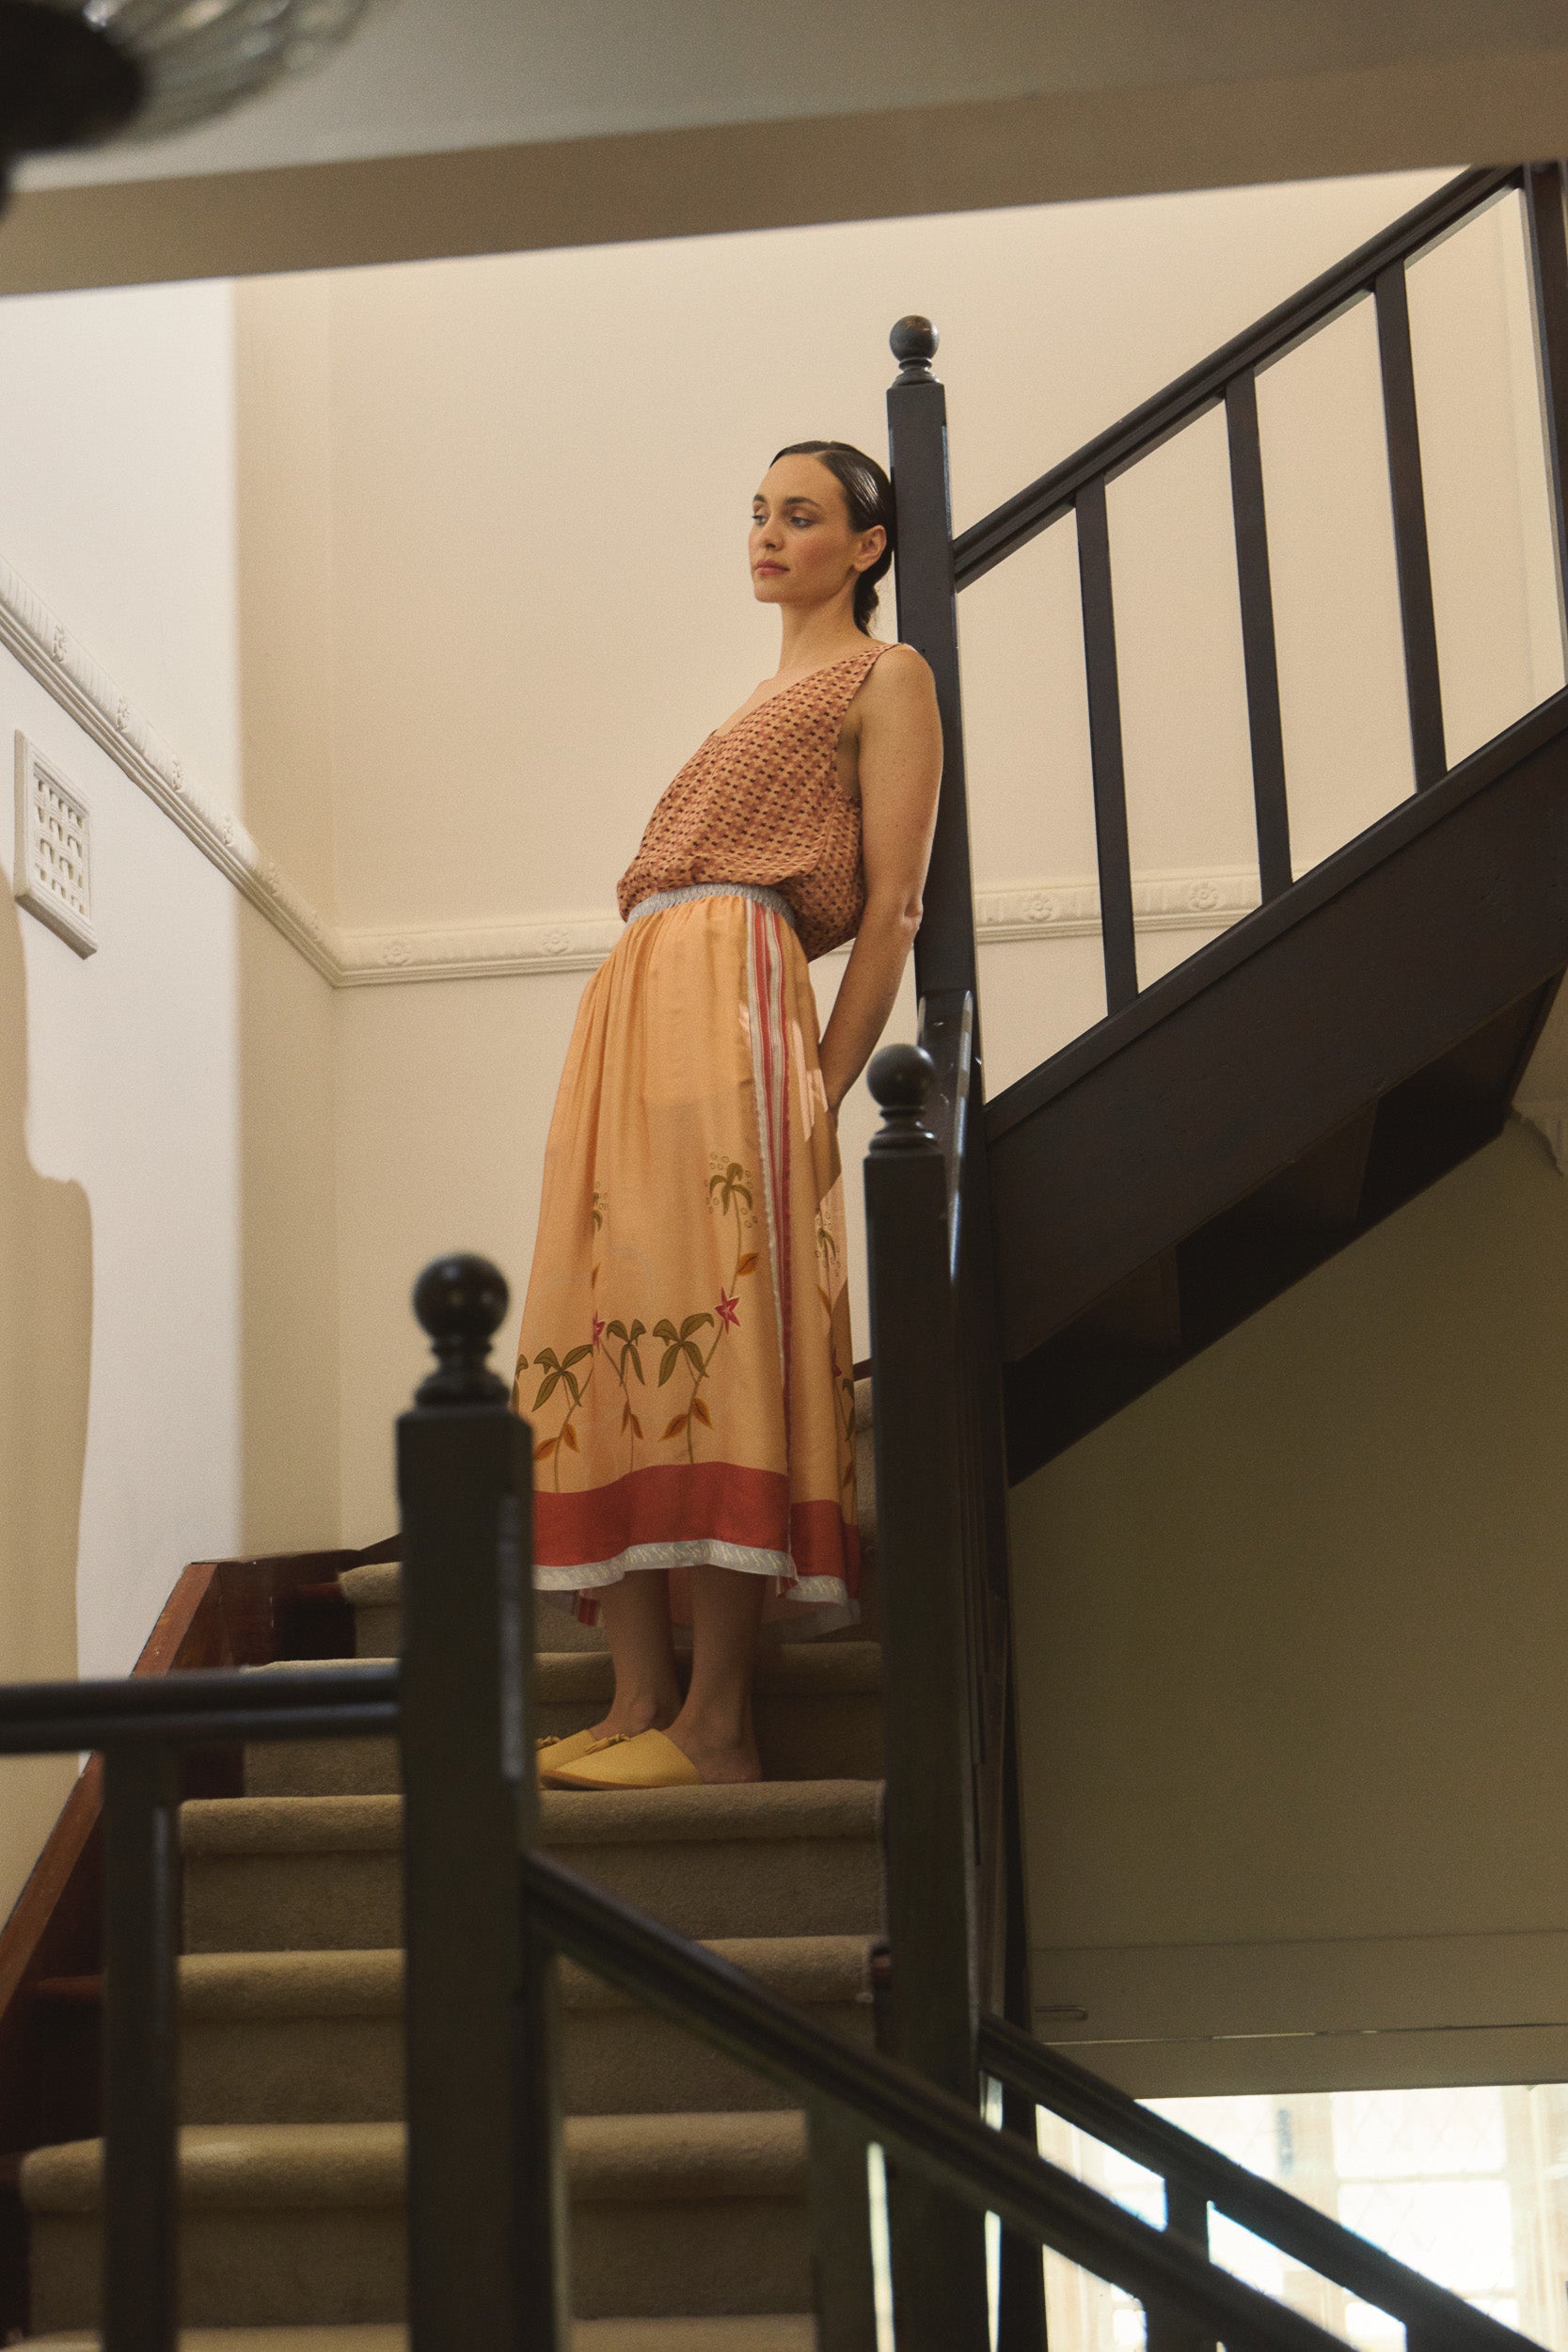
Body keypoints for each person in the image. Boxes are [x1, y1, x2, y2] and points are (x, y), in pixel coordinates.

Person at [515, 438, 942, 1789]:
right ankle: (640, 1697)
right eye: (758, 513)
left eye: (800, 515)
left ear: (865, 546)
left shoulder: (889, 674)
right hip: (639, 998)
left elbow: (892, 907)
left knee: (712, 1323)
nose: (767, 534)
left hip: (733, 1001)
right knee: (601, 1312)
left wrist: (818, 1082)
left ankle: (718, 1723)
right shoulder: (764, 692)